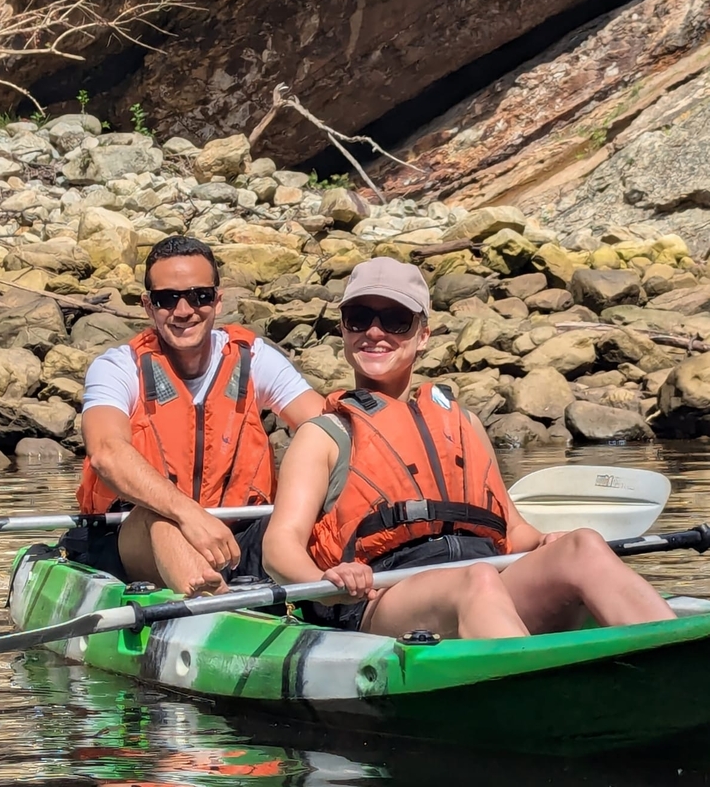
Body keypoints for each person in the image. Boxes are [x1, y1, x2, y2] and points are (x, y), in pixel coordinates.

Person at [262, 257, 675, 639]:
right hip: (382, 596)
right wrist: (328, 580)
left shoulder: (464, 425)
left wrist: (546, 541)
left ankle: (676, 656)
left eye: (395, 320)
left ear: (423, 335)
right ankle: (529, 685)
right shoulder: (323, 435)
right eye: (358, 318)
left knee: (583, 546)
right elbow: (279, 548)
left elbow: (512, 531)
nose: (374, 332)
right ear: (343, 330)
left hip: (485, 577)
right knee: (476, 580)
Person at [64, 235, 324, 596]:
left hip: (235, 538)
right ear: (148, 306)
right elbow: (107, 451)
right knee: (159, 519)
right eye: (167, 299)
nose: (184, 310)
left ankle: (331, 597)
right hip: (133, 539)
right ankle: (215, 604)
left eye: (199, 296)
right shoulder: (118, 367)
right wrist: (187, 513)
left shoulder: (253, 359)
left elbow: (326, 429)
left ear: (217, 300)